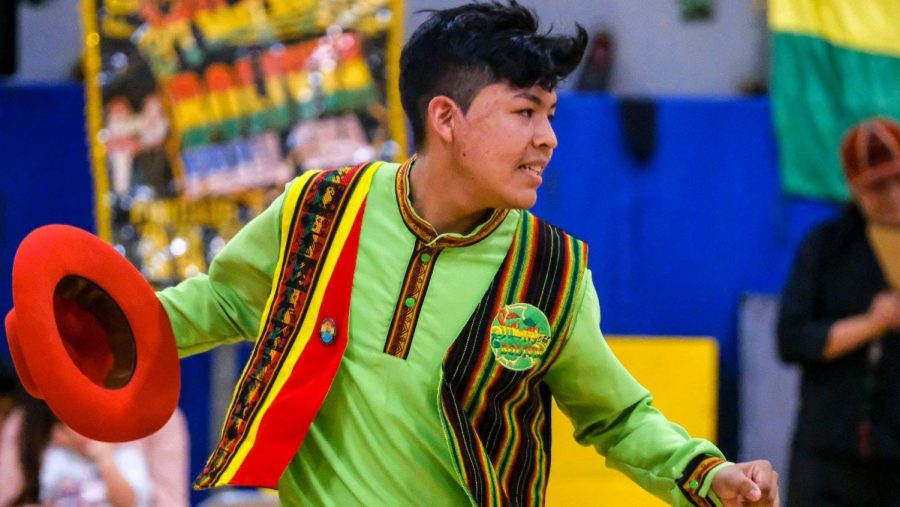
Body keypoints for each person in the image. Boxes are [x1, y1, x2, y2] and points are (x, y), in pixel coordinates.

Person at [151, 2, 780, 505]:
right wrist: (93, 332)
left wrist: (706, 474)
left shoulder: (551, 272)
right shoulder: (322, 208)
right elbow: (223, 301)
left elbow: (617, 418)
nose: (549, 138)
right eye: (526, 111)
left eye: (552, 113)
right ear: (446, 118)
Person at [778, 117, 900, 506]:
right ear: (854, 187)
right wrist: (872, 323)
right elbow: (792, 340)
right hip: (827, 451)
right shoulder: (826, 248)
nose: (894, 196)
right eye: (879, 187)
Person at [0, 396, 152, 506]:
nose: (84, 432)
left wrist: (106, 461)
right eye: (72, 424)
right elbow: (48, 499)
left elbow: (129, 502)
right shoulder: (57, 458)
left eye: (93, 421)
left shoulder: (127, 456)